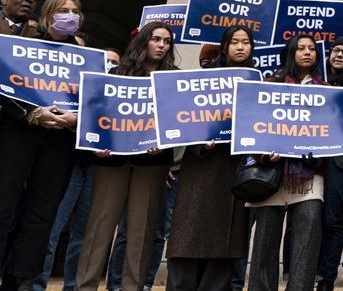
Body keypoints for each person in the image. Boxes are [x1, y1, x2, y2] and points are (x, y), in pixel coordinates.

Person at [76, 22, 178, 291]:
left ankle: (132, 287)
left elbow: (179, 121)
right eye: (156, 39)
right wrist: (95, 142)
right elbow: (97, 112)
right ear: (143, 41)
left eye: (167, 41)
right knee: (99, 227)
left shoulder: (174, 79)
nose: (161, 45)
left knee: (141, 232)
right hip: (111, 159)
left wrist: (165, 143)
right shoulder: (117, 73)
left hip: (152, 162)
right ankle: (84, 286)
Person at [0, 0, 82, 291]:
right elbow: (5, 88)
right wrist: (32, 113)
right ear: (48, 15)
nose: (70, 16)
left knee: (42, 212)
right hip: (19, 134)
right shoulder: (23, 44)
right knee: (4, 204)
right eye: (63, 11)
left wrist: (76, 119)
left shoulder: (87, 58)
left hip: (58, 143)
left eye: (75, 11)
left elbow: (95, 101)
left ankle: (20, 280)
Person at [164, 26, 256, 291]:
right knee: (188, 235)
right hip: (200, 167)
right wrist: (200, 142)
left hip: (234, 169)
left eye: (246, 42)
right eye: (235, 42)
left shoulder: (258, 81)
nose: (240, 47)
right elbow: (182, 120)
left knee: (223, 245)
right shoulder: (203, 79)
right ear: (225, 47)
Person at [246, 34, 327, 291]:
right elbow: (254, 127)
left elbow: (330, 133)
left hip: (310, 175)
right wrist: (263, 155)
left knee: (307, 241)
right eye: (301, 48)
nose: (307, 52)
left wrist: (319, 155)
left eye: (312, 49)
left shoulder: (326, 91)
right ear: (291, 53)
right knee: (265, 243)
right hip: (272, 174)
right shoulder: (270, 85)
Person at [316, 36, 343, 291]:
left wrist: (337, 102)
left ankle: (326, 279)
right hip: (311, 159)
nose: (339, 55)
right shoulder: (317, 80)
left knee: (333, 220)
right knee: (310, 220)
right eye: (335, 50)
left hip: (341, 161)